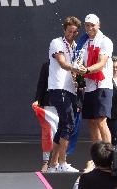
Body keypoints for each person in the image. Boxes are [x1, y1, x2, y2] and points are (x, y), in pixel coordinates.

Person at [46, 16, 82, 172]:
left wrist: (79, 79)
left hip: (71, 90)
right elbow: (61, 62)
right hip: (58, 88)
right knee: (68, 124)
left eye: (74, 32)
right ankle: (62, 163)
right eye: (69, 31)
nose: (71, 34)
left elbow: (75, 68)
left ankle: (52, 165)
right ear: (64, 30)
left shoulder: (75, 47)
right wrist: (76, 69)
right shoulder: (57, 43)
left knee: (63, 126)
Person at [77, 13, 114, 143]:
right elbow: (79, 62)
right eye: (87, 25)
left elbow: (101, 63)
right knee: (92, 122)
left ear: (98, 25)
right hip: (89, 87)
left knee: (101, 120)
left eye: (92, 25)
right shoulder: (83, 42)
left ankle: (109, 157)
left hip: (102, 85)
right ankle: (97, 156)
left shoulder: (105, 41)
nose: (89, 28)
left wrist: (86, 70)